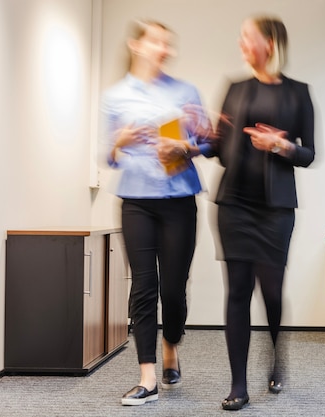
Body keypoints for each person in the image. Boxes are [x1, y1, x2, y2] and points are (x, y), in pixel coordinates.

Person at [101, 20, 214, 406]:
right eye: (156, 41)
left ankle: (171, 347)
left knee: (173, 290)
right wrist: (120, 140)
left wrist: (187, 145)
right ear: (137, 45)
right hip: (136, 201)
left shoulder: (185, 91)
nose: (163, 49)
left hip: (180, 200)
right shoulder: (115, 96)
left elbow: (206, 143)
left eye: (168, 43)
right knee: (144, 287)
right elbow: (108, 156)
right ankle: (147, 375)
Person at [212, 15, 315, 411]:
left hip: (275, 211)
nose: (241, 43)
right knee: (237, 291)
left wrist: (281, 146)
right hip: (234, 204)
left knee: (271, 291)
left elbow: (309, 153)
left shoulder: (298, 94)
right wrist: (207, 137)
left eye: (247, 37)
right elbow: (221, 150)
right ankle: (239, 384)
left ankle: (276, 356)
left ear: (268, 44)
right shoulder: (234, 89)